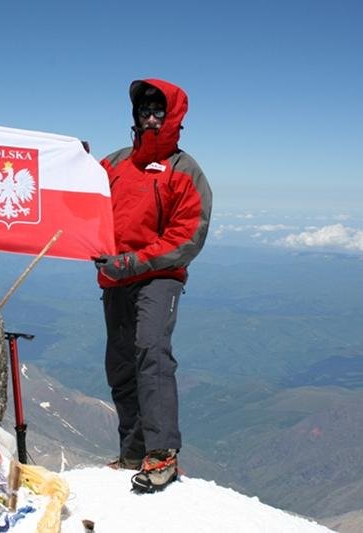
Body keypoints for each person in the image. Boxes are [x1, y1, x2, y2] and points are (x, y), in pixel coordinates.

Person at [94, 79, 212, 493]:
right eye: (143, 109)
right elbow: (78, 196)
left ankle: (162, 456)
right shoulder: (112, 165)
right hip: (115, 277)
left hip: (158, 278)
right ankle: (132, 450)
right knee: (121, 362)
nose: (149, 116)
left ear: (174, 116)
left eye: (158, 110)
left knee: (151, 352)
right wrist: (70, 162)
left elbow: (186, 238)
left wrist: (132, 262)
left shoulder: (185, 172)